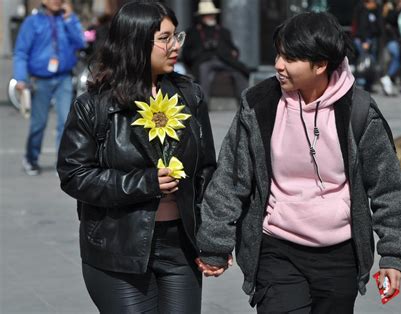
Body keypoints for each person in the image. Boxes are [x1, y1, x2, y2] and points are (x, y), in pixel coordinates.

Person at [195, 12, 401, 313]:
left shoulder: (359, 111)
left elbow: (387, 187)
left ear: (320, 65)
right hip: (276, 249)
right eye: (278, 54)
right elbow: (232, 177)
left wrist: (393, 254)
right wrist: (215, 243)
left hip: (340, 255)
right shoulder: (259, 104)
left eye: (290, 58)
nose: (278, 65)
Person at [57, 1, 216, 313]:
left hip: (181, 247)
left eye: (176, 37)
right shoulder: (94, 105)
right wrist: (145, 183)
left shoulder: (189, 95)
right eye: (165, 38)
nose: (175, 47)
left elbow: (206, 171)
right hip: (118, 248)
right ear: (135, 42)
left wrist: (213, 239)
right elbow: (74, 175)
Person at [13, 0, 85, 176]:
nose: (57, 1)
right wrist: (21, 78)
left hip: (64, 78)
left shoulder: (68, 19)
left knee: (65, 122)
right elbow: (21, 52)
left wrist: (69, 19)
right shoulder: (32, 22)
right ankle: (31, 158)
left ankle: (61, 162)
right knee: (38, 123)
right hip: (41, 79)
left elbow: (81, 42)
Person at [182, 0, 249, 102]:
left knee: (238, 71)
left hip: (224, 60)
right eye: (207, 15)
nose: (210, 16)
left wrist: (232, 52)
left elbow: (234, 50)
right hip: (203, 61)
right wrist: (201, 50)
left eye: (212, 14)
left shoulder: (223, 31)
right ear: (201, 16)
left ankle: (245, 101)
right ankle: (203, 103)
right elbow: (186, 54)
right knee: (203, 70)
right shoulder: (192, 32)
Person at [352, 0, 383, 92]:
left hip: (368, 39)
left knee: (367, 62)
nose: (375, 4)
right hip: (364, 40)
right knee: (366, 63)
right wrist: (364, 41)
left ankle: (367, 84)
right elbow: (362, 27)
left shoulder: (372, 11)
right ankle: (364, 83)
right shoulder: (363, 11)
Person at [379, 0, 401, 96]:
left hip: (390, 39)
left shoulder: (388, 7)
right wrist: (398, 10)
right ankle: (387, 77)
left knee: (393, 60)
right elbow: (392, 19)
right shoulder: (389, 8)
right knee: (397, 58)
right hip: (391, 39)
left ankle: (388, 81)